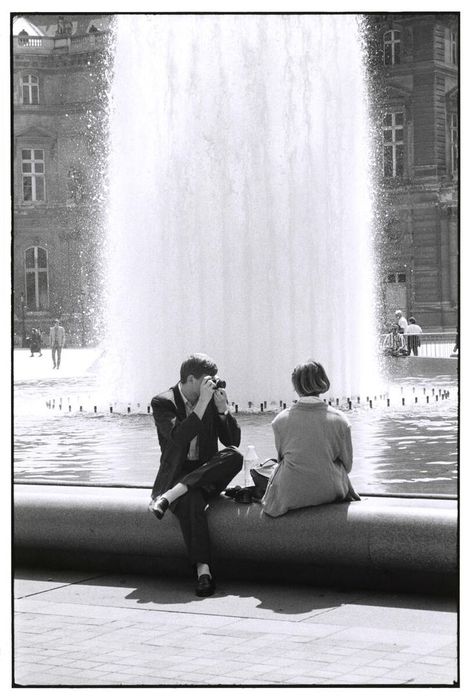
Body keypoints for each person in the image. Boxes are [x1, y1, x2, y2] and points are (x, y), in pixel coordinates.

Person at [149, 353, 243, 597]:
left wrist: (223, 411)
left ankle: (172, 495)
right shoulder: (163, 402)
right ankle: (204, 571)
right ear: (191, 379)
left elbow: (232, 442)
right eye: (207, 380)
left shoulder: (210, 399)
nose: (212, 385)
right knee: (192, 500)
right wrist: (203, 403)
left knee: (234, 456)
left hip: (206, 474)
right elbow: (180, 437)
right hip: (178, 474)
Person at [253, 360, 360, 518]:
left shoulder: (280, 420)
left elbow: (282, 458)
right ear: (323, 381)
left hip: (290, 491)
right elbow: (348, 466)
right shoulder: (341, 420)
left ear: (295, 385)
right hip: (330, 490)